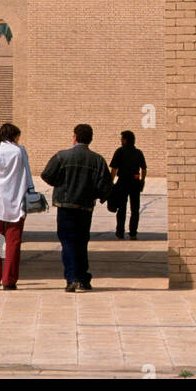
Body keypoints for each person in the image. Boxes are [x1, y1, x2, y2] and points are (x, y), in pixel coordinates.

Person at [41, 123, 112, 292]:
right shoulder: (97, 160)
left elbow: (47, 175)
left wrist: (61, 185)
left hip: (65, 206)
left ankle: (71, 277)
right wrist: (95, 194)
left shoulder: (62, 156)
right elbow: (105, 185)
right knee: (81, 242)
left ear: (74, 137)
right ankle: (83, 278)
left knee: (68, 242)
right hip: (85, 207)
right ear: (90, 139)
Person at [0, 122, 31, 290]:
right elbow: (27, 172)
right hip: (16, 200)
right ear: (14, 136)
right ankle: (9, 280)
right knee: (13, 242)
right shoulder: (20, 151)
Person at [109, 129, 147, 239]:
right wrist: (142, 181)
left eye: (121, 139)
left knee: (122, 208)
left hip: (123, 182)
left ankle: (120, 232)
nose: (121, 141)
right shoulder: (138, 152)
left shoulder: (119, 151)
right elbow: (143, 169)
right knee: (135, 209)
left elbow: (114, 169)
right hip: (135, 182)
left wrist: (110, 183)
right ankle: (133, 233)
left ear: (125, 140)